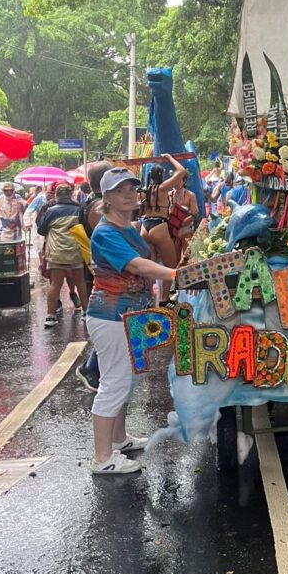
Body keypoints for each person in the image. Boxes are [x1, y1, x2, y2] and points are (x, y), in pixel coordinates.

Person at [87, 167, 179, 474]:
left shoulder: (129, 226)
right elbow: (137, 266)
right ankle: (103, 459)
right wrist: (176, 274)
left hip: (133, 315)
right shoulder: (105, 232)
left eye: (131, 188)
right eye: (119, 190)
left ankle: (119, 439)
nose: (127, 194)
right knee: (114, 383)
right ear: (106, 197)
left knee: (127, 380)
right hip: (112, 316)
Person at [76, 161, 114, 392]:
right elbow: (108, 240)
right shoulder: (99, 207)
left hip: (98, 270)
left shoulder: (92, 202)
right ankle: (91, 367)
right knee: (109, 324)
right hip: (103, 273)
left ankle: (94, 366)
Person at [36, 182, 88, 328]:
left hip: (56, 253)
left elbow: (41, 230)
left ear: (56, 196)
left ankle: (50, 316)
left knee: (56, 283)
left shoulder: (50, 211)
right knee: (80, 282)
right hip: (75, 251)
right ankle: (86, 313)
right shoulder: (79, 210)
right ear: (70, 195)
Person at [139, 154, 186, 302]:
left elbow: (139, 211)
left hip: (144, 228)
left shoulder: (144, 192)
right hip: (159, 226)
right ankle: (164, 298)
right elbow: (181, 171)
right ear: (161, 175)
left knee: (150, 265)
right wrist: (169, 158)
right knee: (170, 265)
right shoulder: (163, 188)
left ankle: (148, 298)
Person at [169, 168, 200, 262]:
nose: (176, 183)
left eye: (178, 180)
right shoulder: (169, 195)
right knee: (175, 259)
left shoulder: (190, 195)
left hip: (186, 229)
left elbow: (195, 214)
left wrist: (183, 222)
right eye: (174, 180)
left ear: (184, 181)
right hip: (172, 230)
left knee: (187, 258)